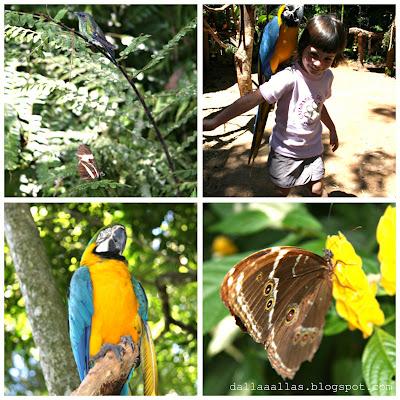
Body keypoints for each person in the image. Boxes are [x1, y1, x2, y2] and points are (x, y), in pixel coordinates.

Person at [203, 15, 347, 197]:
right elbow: (253, 99)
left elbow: (318, 105)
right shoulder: (289, 77)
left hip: (313, 149)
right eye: (313, 54)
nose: (319, 63)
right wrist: (215, 121)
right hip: (286, 151)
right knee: (281, 192)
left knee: (318, 189)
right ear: (302, 47)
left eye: (328, 59)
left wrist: (332, 128)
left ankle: (325, 221)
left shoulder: (327, 78)